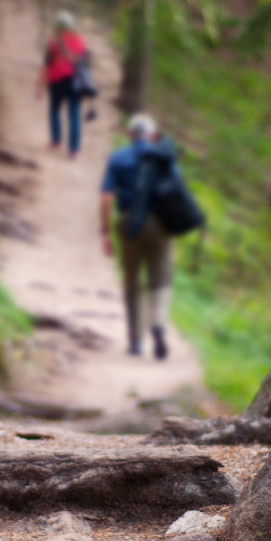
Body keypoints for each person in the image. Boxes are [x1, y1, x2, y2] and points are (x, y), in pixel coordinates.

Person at [99, 113, 174, 359]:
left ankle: (136, 342)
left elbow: (107, 197)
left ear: (130, 135)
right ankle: (158, 324)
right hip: (160, 223)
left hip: (129, 220)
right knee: (160, 279)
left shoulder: (118, 157)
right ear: (152, 135)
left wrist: (105, 231)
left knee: (132, 280)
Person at [36, 10, 88, 158]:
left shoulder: (53, 43)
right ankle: (74, 150)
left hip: (56, 81)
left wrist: (39, 86)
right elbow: (85, 64)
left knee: (54, 110)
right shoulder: (80, 42)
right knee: (74, 115)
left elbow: (46, 65)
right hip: (75, 81)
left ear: (57, 26)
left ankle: (56, 141)